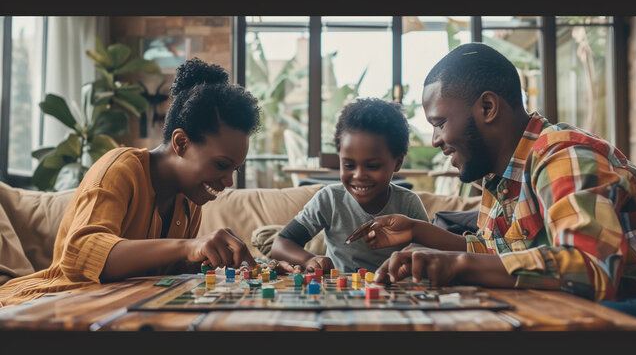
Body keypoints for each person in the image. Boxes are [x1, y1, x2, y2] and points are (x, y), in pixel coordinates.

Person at [348, 43, 636, 317]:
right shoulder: (497, 175)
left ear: (487, 107)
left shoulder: (563, 154)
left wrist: (459, 264)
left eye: (439, 123)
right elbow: (498, 254)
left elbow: (590, 267)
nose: (436, 140)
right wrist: (417, 231)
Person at [0, 58, 261, 307]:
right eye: (221, 165)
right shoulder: (119, 167)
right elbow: (81, 255)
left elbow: (166, 271)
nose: (228, 181)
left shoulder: (189, 200)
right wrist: (188, 246)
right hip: (50, 304)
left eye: (235, 169)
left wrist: (237, 264)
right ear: (181, 143)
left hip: (123, 310)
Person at [271, 98, 430, 273]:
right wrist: (309, 259)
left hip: (391, 293)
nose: (359, 175)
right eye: (348, 165)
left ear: (397, 163)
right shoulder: (330, 199)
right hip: (339, 293)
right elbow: (281, 244)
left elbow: (429, 253)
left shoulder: (408, 203)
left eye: (372, 166)